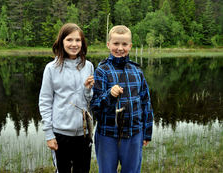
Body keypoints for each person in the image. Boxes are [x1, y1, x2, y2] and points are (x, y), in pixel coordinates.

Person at [90, 25, 153, 173]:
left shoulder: (137, 71)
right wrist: (109, 95)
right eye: (116, 44)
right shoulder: (101, 71)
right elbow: (95, 107)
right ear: (108, 45)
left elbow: (146, 103)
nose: (120, 48)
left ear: (130, 46)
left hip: (134, 133)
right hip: (107, 135)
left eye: (124, 44)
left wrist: (147, 132)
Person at [39, 23, 94, 173]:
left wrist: (88, 90)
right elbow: (45, 101)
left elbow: (89, 101)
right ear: (61, 41)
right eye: (69, 40)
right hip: (60, 134)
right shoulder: (51, 68)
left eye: (78, 40)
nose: (74, 44)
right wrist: (49, 134)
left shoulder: (88, 66)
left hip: (84, 134)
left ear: (82, 43)